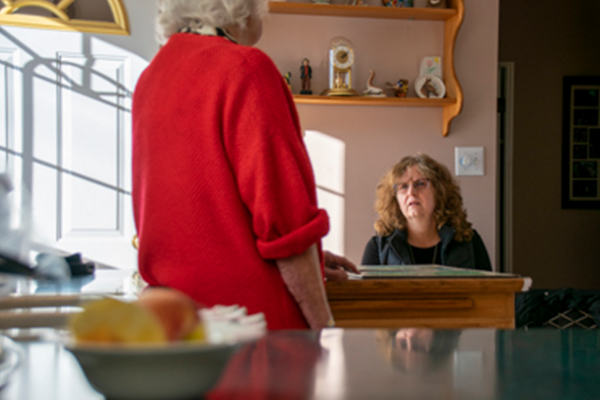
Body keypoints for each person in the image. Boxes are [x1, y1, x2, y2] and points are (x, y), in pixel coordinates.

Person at [133, 0, 356, 331]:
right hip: (251, 329)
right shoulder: (247, 68)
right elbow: (286, 222)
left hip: (176, 327)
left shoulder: (151, 78)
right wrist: (325, 330)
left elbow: (189, 220)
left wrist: (313, 260)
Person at [361, 153, 492, 270]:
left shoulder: (469, 241)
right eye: (403, 187)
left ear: (439, 192)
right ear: (395, 199)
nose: (411, 193)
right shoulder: (378, 247)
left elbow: (490, 293)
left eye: (420, 184)